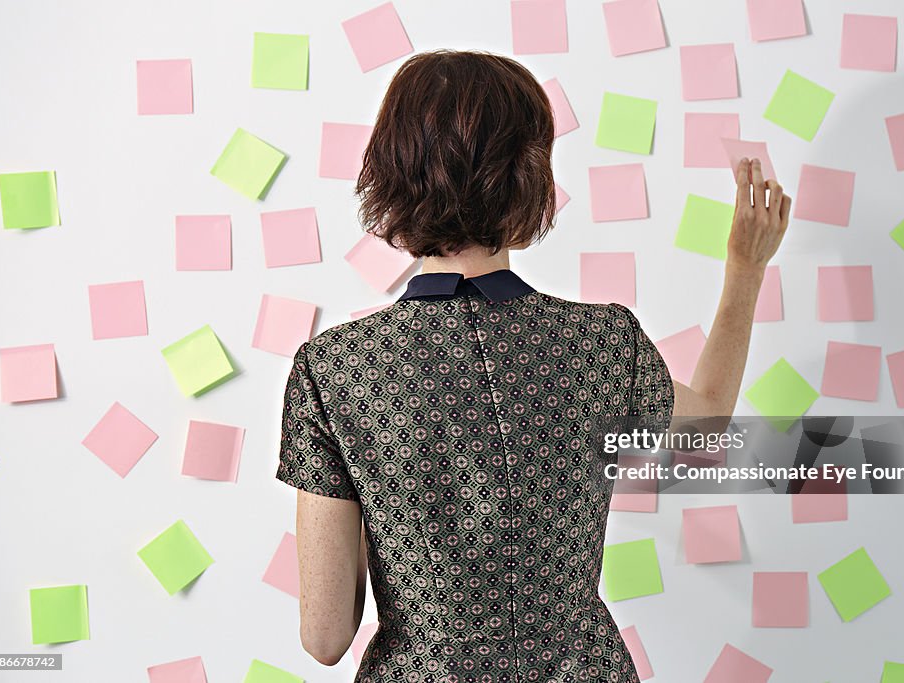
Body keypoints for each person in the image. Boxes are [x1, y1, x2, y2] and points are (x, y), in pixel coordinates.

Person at [276, 49, 790, 682]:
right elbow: (706, 424)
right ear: (531, 176)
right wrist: (745, 269)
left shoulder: (336, 369)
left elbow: (326, 637)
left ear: (391, 171)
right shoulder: (602, 341)